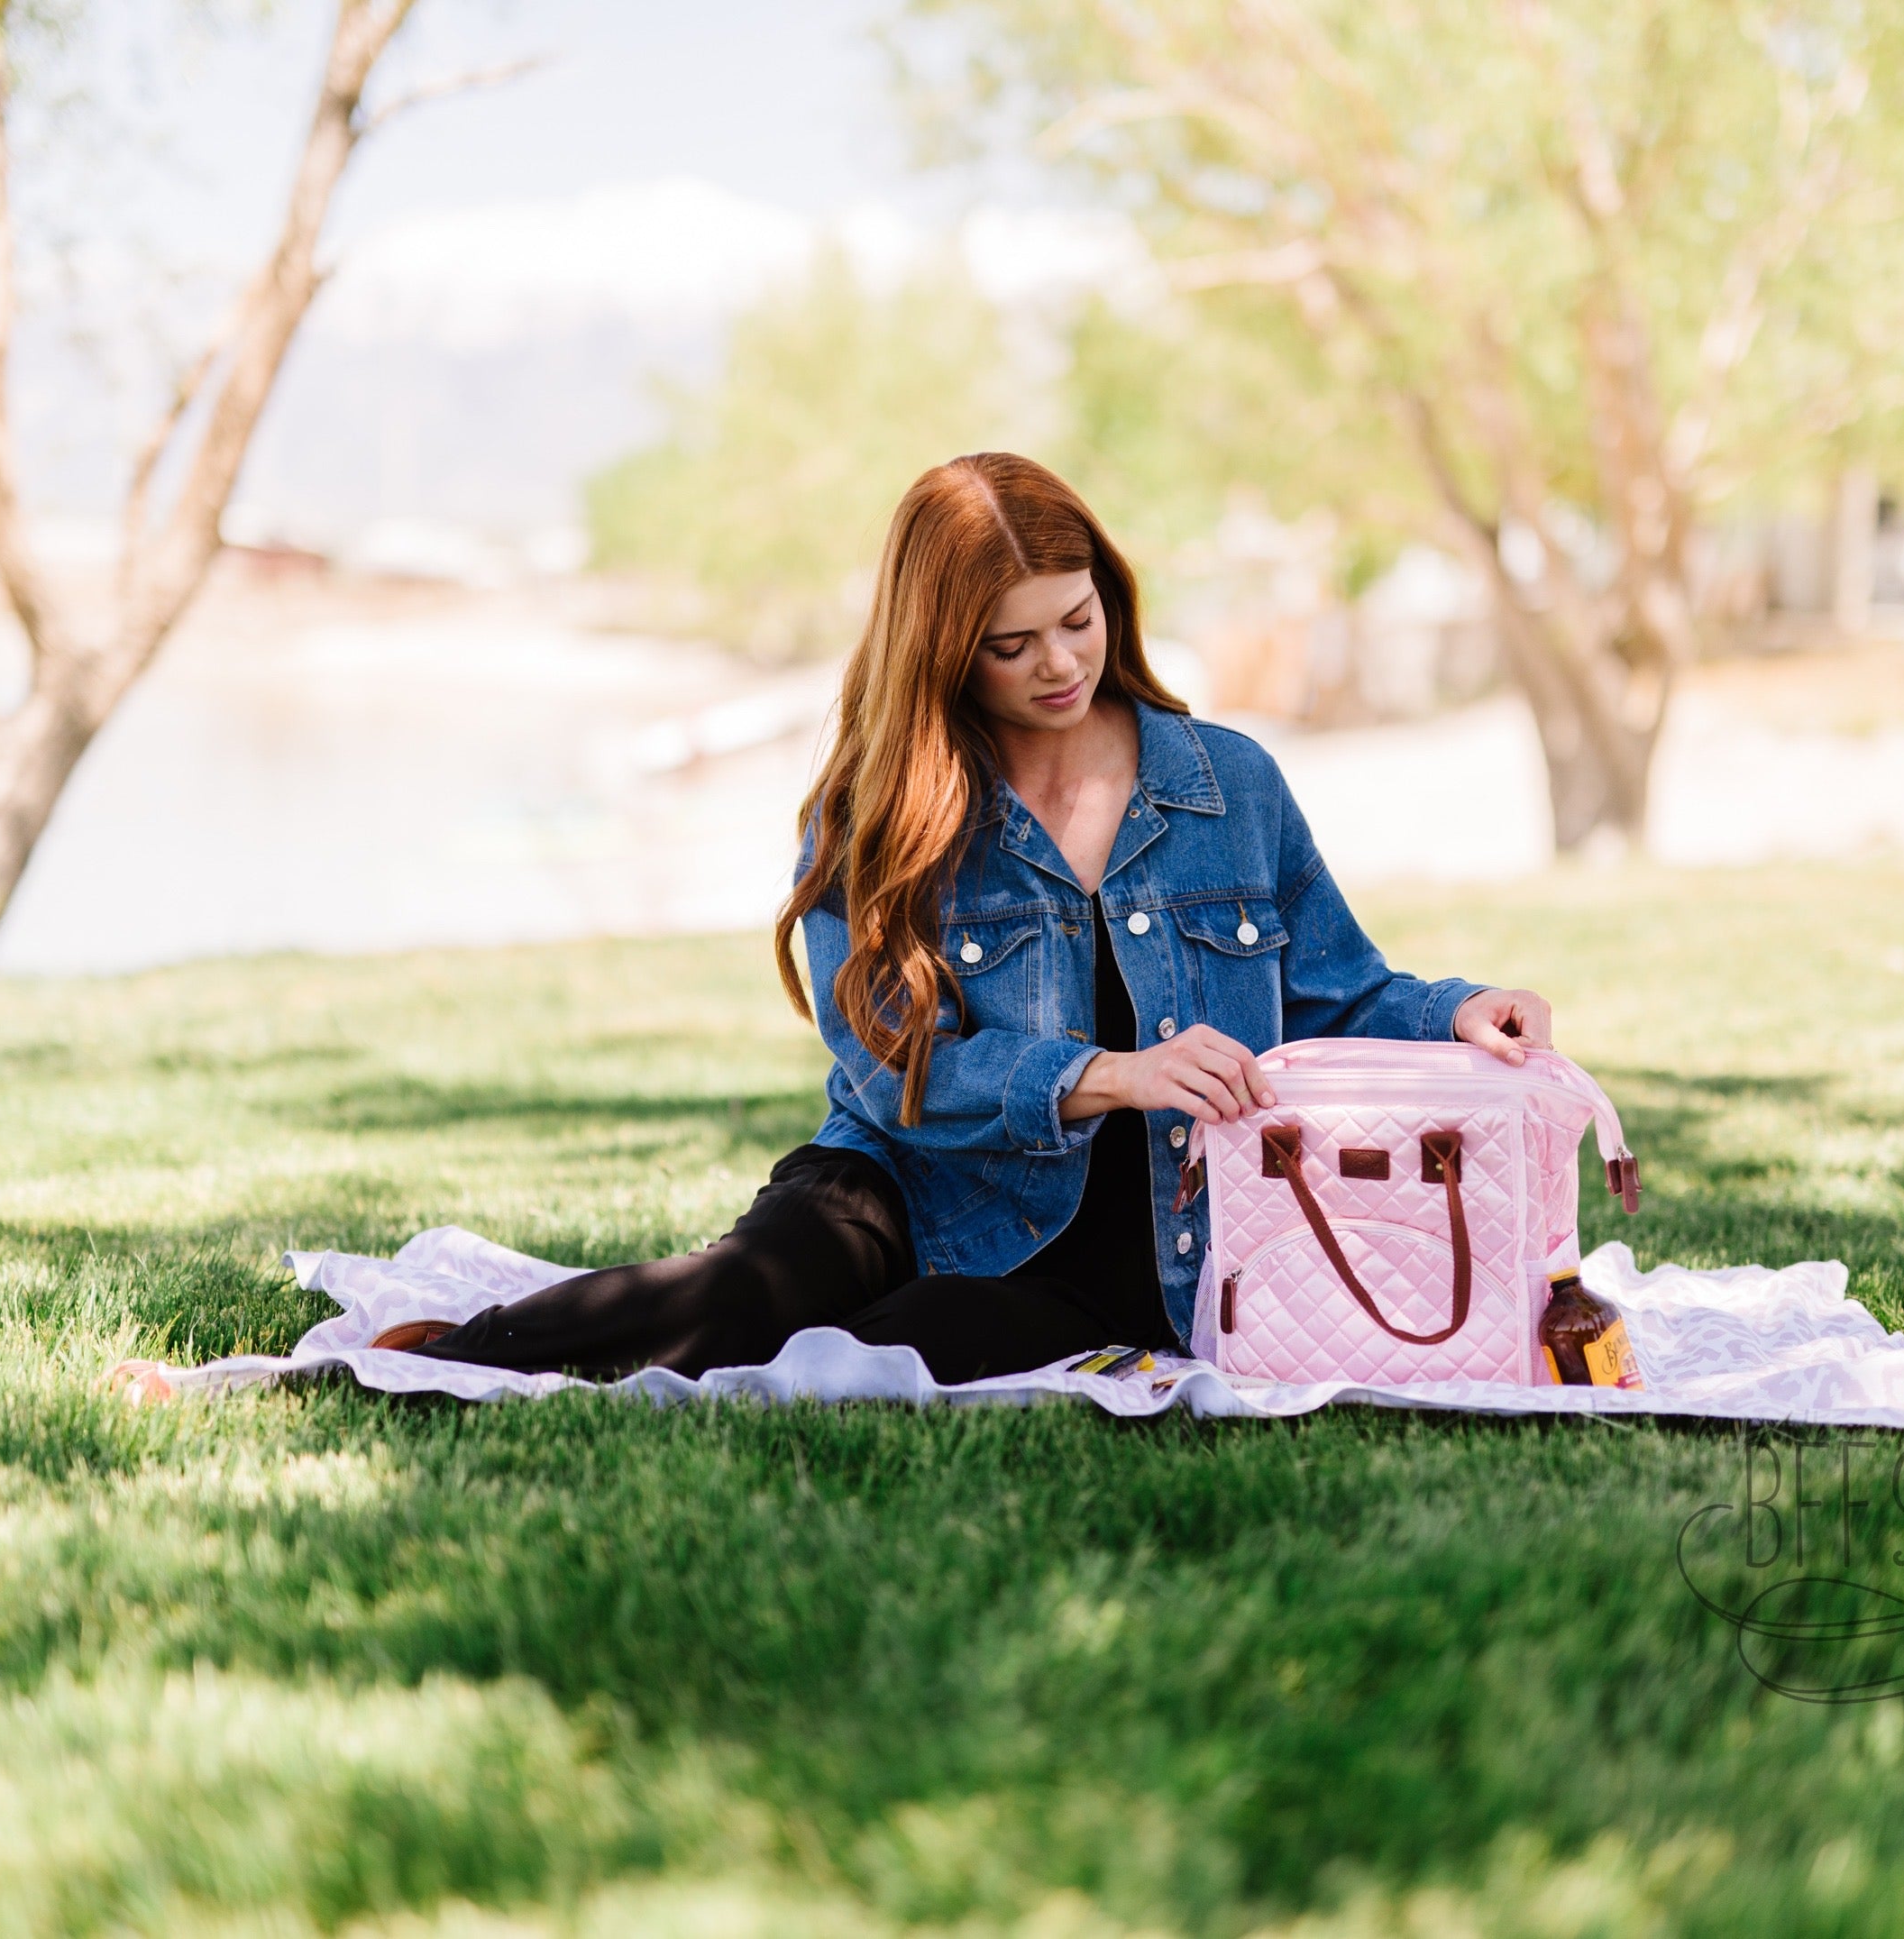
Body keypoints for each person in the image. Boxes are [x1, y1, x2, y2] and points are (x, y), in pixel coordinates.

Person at [123, 453, 1553, 1401]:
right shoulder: (884, 808)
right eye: (1010, 642)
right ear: (944, 645)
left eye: (1076, 623)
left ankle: (503, 1358)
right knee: (743, 1295)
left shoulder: (1224, 782)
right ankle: (402, 1365)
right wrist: (1101, 1074)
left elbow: (1342, 983)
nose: (1056, 665)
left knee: (875, 1359)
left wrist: (1456, 1010)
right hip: (905, 1179)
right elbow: (889, 1074)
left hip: (1143, 1242)